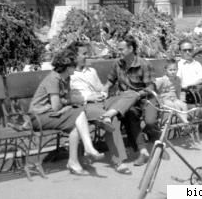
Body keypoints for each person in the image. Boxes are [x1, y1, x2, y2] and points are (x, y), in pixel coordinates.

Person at [28, 49, 104, 176]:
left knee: (75, 125)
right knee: (79, 113)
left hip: (50, 114)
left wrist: (67, 104)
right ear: (67, 67)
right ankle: (88, 148)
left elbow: (65, 101)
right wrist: (67, 104)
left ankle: (73, 162)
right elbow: (57, 106)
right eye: (74, 65)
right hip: (38, 117)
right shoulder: (53, 79)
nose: (76, 67)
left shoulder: (66, 79)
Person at [68, 42, 140, 174]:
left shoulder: (91, 71)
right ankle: (119, 162)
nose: (87, 56)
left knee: (132, 94)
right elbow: (68, 97)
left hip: (103, 102)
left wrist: (102, 94)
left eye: (86, 53)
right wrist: (88, 98)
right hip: (86, 106)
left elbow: (101, 88)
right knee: (113, 121)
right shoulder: (69, 74)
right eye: (84, 54)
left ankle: (108, 114)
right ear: (74, 56)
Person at [104, 35, 158, 166]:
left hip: (145, 98)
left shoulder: (144, 64)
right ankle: (142, 151)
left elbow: (151, 86)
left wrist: (137, 95)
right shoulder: (118, 64)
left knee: (150, 122)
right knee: (130, 115)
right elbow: (110, 81)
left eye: (121, 49)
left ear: (131, 48)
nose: (119, 51)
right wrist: (103, 91)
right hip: (126, 101)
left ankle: (151, 133)